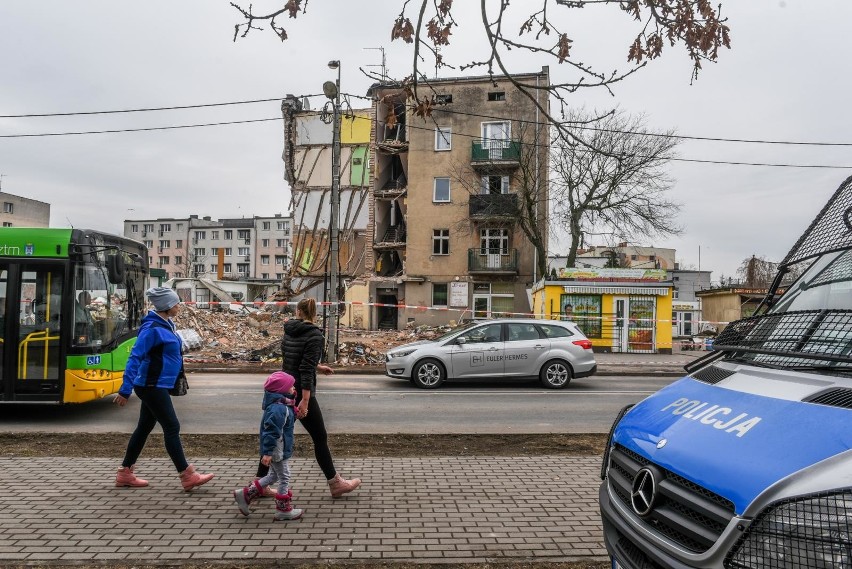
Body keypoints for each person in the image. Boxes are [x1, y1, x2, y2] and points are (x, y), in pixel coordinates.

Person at [113, 287, 215, 491]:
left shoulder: (166, 325)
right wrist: (125, 389)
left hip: (157, 384)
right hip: (151, 385)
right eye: (176, 303)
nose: (179, 306)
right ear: (167, 306)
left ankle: (125, 473)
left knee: (143, 428)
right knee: (172, 427)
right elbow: (135, 357)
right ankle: (187, 475)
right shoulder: (152, 329)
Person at [257, 297, 361, 498]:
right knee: (320, 436)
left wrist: (318, 366)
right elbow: (304, 368)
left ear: (298, 312)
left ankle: (259, 485)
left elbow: (292, 359)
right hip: (299, 392)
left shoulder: (289, 330)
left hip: (283, 388)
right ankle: (335, 483)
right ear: (315, 314)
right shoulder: (315, 336)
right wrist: (305, 400)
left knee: (273, 435)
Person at [233, 371, 303, 521]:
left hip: (278, 447)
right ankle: (283, 510)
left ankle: (246, 494)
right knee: (284, 476)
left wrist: (294, 412)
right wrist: (268, 452)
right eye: (291, 386)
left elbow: (284, 419)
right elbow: (271, 431)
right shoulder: (279, 408)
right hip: (277, 448)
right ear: (282, 390)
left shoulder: (282, 404)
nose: (294, 387)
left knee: (273, 475)